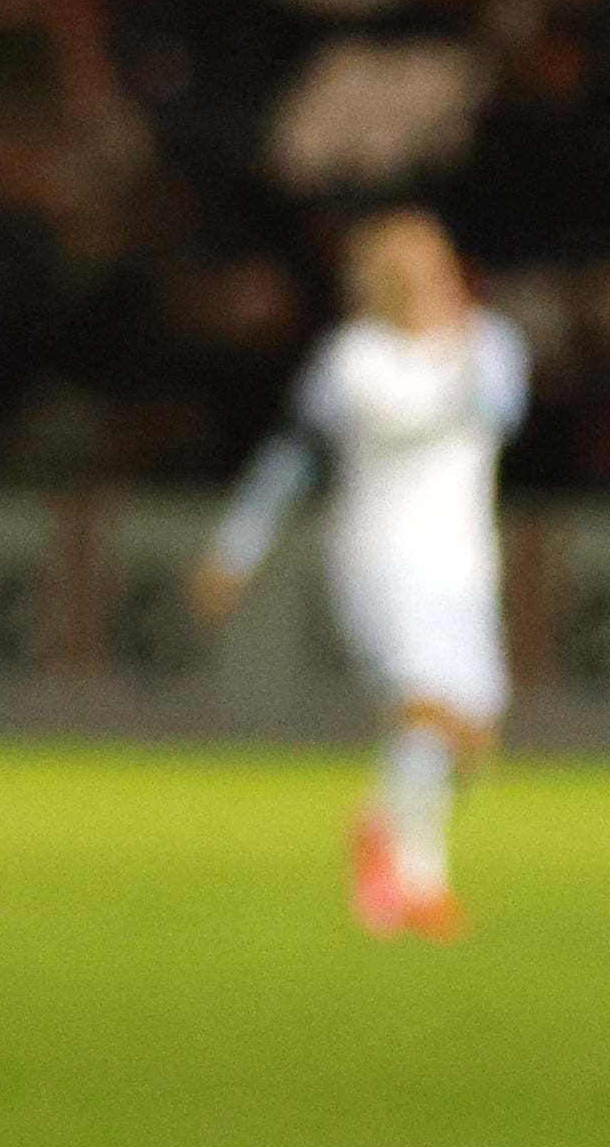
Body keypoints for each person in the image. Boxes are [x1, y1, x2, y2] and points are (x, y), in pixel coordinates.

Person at [196, 206, 529, 940]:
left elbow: (504, 410)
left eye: (433, 267)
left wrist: (466, 347)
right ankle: (419, 881)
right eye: (407, 270)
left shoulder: (486, 345)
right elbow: (294, 460)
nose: (426, 282)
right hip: (382, 563)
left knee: (471, 736)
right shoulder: (353, 361)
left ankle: (381, 822)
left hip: (466, 567)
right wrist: (237, 546)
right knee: (428, 702)